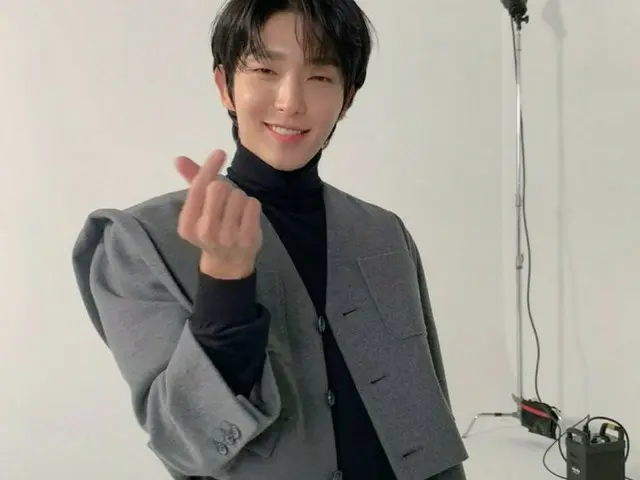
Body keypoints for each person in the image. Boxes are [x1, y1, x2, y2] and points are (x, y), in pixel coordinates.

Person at [71, 0, 469, 479]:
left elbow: (431, 415)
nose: (290, 101)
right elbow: (183, 445)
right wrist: (224, 282)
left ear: (347, 98)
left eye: (320, 76)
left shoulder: (384, 233)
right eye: (264, 70)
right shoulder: (138, 243)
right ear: (225, 86)